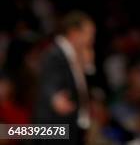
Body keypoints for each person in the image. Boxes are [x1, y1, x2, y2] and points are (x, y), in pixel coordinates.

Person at [32, 11, 96, 144]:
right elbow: (49, 81)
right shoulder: (55, 53)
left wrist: (87, 66)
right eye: (89, 33)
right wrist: (55, 97)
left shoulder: (76, 55)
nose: (91, 38)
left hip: (73, 126)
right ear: (74, 33)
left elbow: (82, 88)